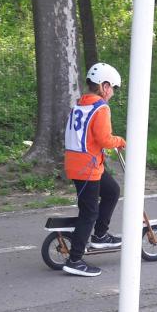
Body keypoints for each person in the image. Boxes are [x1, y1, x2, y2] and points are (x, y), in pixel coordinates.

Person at [62, 62, 126, 277]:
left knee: (112, 191)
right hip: (87, 168)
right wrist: (121, 141)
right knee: (89, 212)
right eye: (113, 88)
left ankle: (100, 235)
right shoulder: (101, 107)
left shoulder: (80, 104)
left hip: (81, 163)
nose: (113, 92)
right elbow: (105, 139)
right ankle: (75, 260)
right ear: (104, 86)